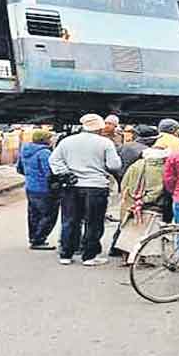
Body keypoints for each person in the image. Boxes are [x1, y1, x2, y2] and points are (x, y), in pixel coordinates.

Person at [49, 113, 122, 266]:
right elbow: (114, 165)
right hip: (96, 187)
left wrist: (65, 173)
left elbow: (54, 160)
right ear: (99, 127)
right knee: (94, 222)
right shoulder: (105, 143)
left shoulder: (67, 142)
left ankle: (66, 254)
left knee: (70, 220)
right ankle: (89, 256)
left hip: (72, 186)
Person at [20, 129, 58, 250]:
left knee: (33, 214)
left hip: (30, 188)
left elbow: (19, 169)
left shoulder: (25, 151)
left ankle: (33, 237)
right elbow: (49, 172)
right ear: (45, 140)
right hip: (44, 189)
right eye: (50, 138)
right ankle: (39, 239)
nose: (52, 140)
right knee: (49, 215)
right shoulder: (44, 153)